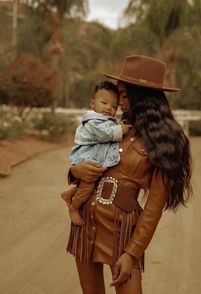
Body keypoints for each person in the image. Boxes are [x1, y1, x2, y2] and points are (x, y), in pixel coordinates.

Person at [65, 55, 192, 294]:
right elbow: (82, 154)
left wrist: (132, 253)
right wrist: (74, 170)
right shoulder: (112, 127)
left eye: (123, 95)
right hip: (86, 220)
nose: (118, 101)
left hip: (123, 231)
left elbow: (154, 207)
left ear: (141, 97)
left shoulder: (165, 142)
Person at [61, 80, 132, 225]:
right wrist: (121, 130)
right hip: (87, 157)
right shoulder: (93, 120)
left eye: (113, 106)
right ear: (93, 103)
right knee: (88, 184)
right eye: (104, 103)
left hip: (95, 156)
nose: (108, 108)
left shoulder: (106, 119)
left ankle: (69, 194)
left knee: (93, 181)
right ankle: (74, 208)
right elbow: (103, 134)